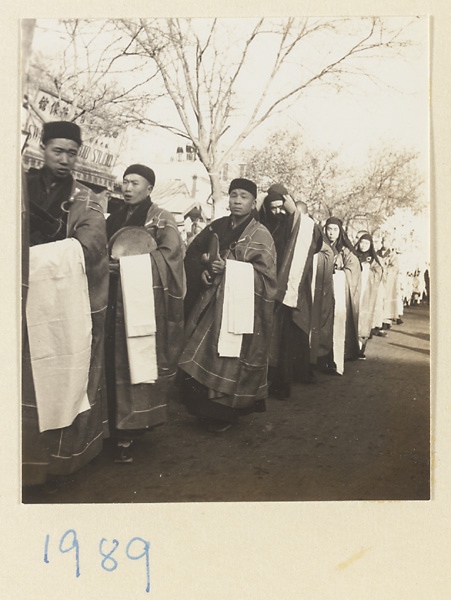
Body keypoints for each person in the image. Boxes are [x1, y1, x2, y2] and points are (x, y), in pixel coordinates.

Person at [22, 121, 109, 488]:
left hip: (60, 299)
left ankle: (56, 462)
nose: (65, 159)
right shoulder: (17, 185)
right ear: (42, 149)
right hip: (17, 293)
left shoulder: (87, 198)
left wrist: (36, 254)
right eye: (57, 151)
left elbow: (91, 244)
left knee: (59, 372)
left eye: (72, 153)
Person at [179, 178, 277, 432]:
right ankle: (203, 411)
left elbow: (267, 278)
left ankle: (223, 414)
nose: (236, 200)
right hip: (209, 301)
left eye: (244, 196)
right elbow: (192, 253)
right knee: (200, 351)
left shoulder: (261, 235)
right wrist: (202, 271)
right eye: (233, 195)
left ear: (254, 203)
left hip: (236, 307)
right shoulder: (217, 227)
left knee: (227, 358)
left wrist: (231, 269)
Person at [105, 164, 185, 462]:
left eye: (134, 183)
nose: (127, 187)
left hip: (140, 303)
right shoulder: (113, 216)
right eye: (125, 182)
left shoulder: (162, 219)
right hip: (111, 297)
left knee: (131, 361)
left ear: (149, 188)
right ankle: (109, 427)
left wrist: (127, 267)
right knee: (108, 362)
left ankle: (129, 431)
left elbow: (171, 257)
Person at [259, 184, 323, 399]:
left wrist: (295, 212)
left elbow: (313, 239)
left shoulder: (296, 225)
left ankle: (281, 382)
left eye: (281, 207)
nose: (277, 212)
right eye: (273, 208)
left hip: (286, 290)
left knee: (283, 338)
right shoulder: (263, 223)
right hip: (264, 285)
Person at [323, 217, 361, 374]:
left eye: (335, 230)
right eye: (329, 229)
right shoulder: (322, 245)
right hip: (324, 289)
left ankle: (338, 355)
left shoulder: (345, 250)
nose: (331, 233)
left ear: (340, 231)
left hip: (339, 290)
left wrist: (339, 272)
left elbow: (353, 268)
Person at [354, 233, 383, 359]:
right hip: (355, 291)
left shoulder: (373, 260)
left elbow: (379, 273)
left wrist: (367, 271)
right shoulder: (354, 256)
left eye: (366, 243)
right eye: (362, 242)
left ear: (370, 245)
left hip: (366, 293)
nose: (363, 245)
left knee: (363, 319)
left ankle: (360, 348)